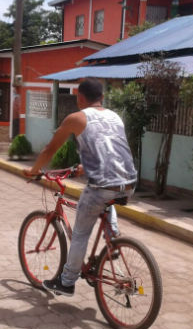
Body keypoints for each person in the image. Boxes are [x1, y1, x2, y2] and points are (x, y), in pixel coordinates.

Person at [23, 78, 137, 297]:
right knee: (108, 198)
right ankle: (112, 243)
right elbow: (112, 152)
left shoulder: (76, 118)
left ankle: (66, 282)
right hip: (129, 182)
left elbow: (49, 149)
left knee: (80, 234)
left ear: (80, 98)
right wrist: (85, 167)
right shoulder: (114, 116)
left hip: (102, 186)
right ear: (102, 98)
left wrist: (34, 171)